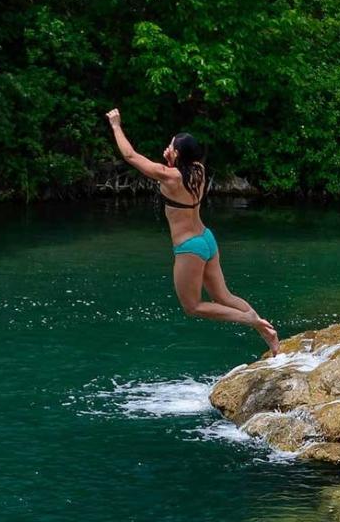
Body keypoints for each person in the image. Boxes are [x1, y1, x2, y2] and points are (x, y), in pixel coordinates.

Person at [105, 109, 281, 354]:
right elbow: (178, 179)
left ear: (178, 153)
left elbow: (130, 155)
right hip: (206, 239)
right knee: (225, 296)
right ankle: (267, 332)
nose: (168, 147)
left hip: (190, 247)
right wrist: (170, 161)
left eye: (171, 146)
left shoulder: (170, 177)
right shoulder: (198, 169)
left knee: (193, 306)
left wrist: (115, 125)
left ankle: (252, 321)